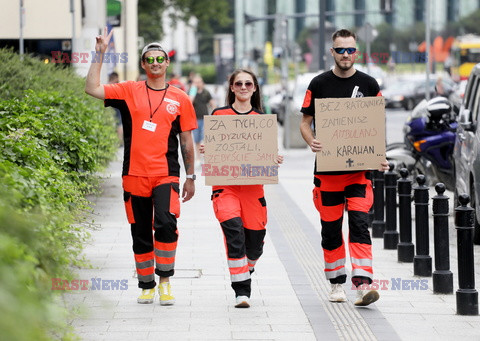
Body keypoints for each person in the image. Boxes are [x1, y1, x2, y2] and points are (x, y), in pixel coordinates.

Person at [85, 28, 197, 305]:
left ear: (167, 63)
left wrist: (191, 176)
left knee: (166, 224)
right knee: (140, 231)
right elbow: (91, 88)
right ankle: (146, 284)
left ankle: (165, 281)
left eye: (160, 59)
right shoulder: (128, 90)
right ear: (143, 64)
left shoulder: (180, 98)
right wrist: (99, 54)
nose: (156, 63)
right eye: (150, 59)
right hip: (134, 174)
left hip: (166, 174)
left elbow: (187, 141)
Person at [299, 29, 389, 307]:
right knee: (331, 230)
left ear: (357, 52)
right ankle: (336, 283)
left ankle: (363, 284)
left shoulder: (370, 84)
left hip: (359, 174)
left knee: (360, 226)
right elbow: (305, 122)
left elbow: (375, 127)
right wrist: (311, 141)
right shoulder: (318, 83)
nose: (346, 55)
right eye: (341, 50)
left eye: (350, 50)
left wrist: (380, 156)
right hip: (327, 176)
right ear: (332, 52)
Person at [200, 69, 283, 308]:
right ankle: (242, 292)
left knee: (255, 244)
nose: (244, 87)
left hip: (253, 191)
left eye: (249, 83)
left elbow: (267, 152)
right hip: (225, 188)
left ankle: (247, 268)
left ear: (255, 87)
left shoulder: (261, 119)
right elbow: (212, 147)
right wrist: (207, 148)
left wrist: (273, 158)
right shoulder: (219, 115)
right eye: (239, 83)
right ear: (232, 88)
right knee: (234, 233)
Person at [191, 75, 215, 161]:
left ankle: (206, 156)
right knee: (197, 139)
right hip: (195, 120)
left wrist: (215, 114)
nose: (197, 84)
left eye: (199, 82)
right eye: (195, 82)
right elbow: (189, 103)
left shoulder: (206, 92)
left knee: (206, 139)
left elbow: (212, 103)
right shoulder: (191, 92)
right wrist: (193, 92)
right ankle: (198, 157)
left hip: (205, 119)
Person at [108, 71, 123, 145]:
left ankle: (119, 141)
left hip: (118, 107)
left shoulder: (115, 85)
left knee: (119, 123)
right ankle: (118, 141)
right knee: (118, 123)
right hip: (116, 107)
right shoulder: (118, 85)